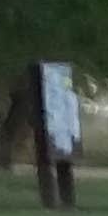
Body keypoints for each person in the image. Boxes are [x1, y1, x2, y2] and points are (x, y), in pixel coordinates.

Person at [32, 61, 80, 208]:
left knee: (62, 162)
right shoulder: (54, 97)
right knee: (49, 157)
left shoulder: (66, 97)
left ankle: (65, 199)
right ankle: (55, 199)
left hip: (62, 131)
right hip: (56, 129)